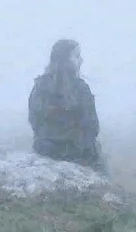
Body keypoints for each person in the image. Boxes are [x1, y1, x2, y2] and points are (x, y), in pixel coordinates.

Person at [28, 38, 104, 170]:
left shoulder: (40, 87)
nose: (81, 60)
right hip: (80, 156)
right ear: (65, 59)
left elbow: (34, 121)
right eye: (77, 56)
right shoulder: (81, 89)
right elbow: (92, 126)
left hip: (46, 152)